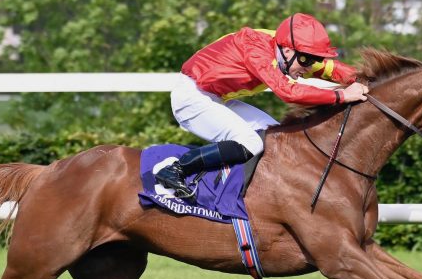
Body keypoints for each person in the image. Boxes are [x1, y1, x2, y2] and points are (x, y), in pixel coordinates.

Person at [155, 12, 369, 199]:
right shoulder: (257, 49)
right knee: (251, 142)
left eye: (312, 60)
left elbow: (328, 68)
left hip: (215, 97)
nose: (309, 67)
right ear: (287, 51)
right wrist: (341, 96)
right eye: (306, 60)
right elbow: (287, 91)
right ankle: (176, 170)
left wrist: (368, 80)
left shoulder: (287, 49)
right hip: (191, 98)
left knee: (279, 137)